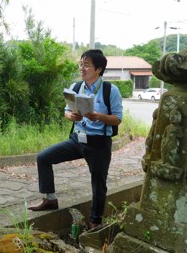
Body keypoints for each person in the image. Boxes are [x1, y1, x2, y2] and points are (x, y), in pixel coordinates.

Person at [28, 49, 123, 230]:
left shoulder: (111, 90)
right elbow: (66, 110)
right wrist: (70, 116)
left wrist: (98, 116)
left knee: (98, 181)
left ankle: (95, 220)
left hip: (99, 143)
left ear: (98, 69)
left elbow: (118, 118)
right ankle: (49, 199)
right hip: (77, 139)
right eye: (81, 64)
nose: (82, 68)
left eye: (86, 65)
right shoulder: (75, 87)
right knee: (43, 157)